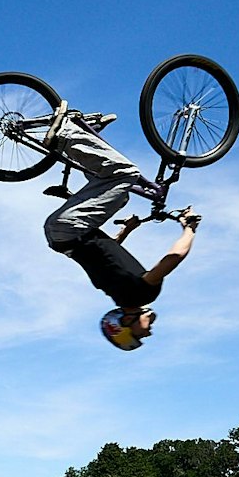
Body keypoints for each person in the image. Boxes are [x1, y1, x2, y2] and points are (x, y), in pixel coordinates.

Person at [40, 113, 201, 352]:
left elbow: (173, 258)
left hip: (71, 228)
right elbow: (105, 251)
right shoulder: (117, 292)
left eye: (139, 335)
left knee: (125, 174)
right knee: (121, 194)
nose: (148, 333)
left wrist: (188, 229)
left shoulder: (141, 294)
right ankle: (86, 133)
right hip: (63, 233)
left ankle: (65, 134)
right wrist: (126, 230)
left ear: (125, 323)